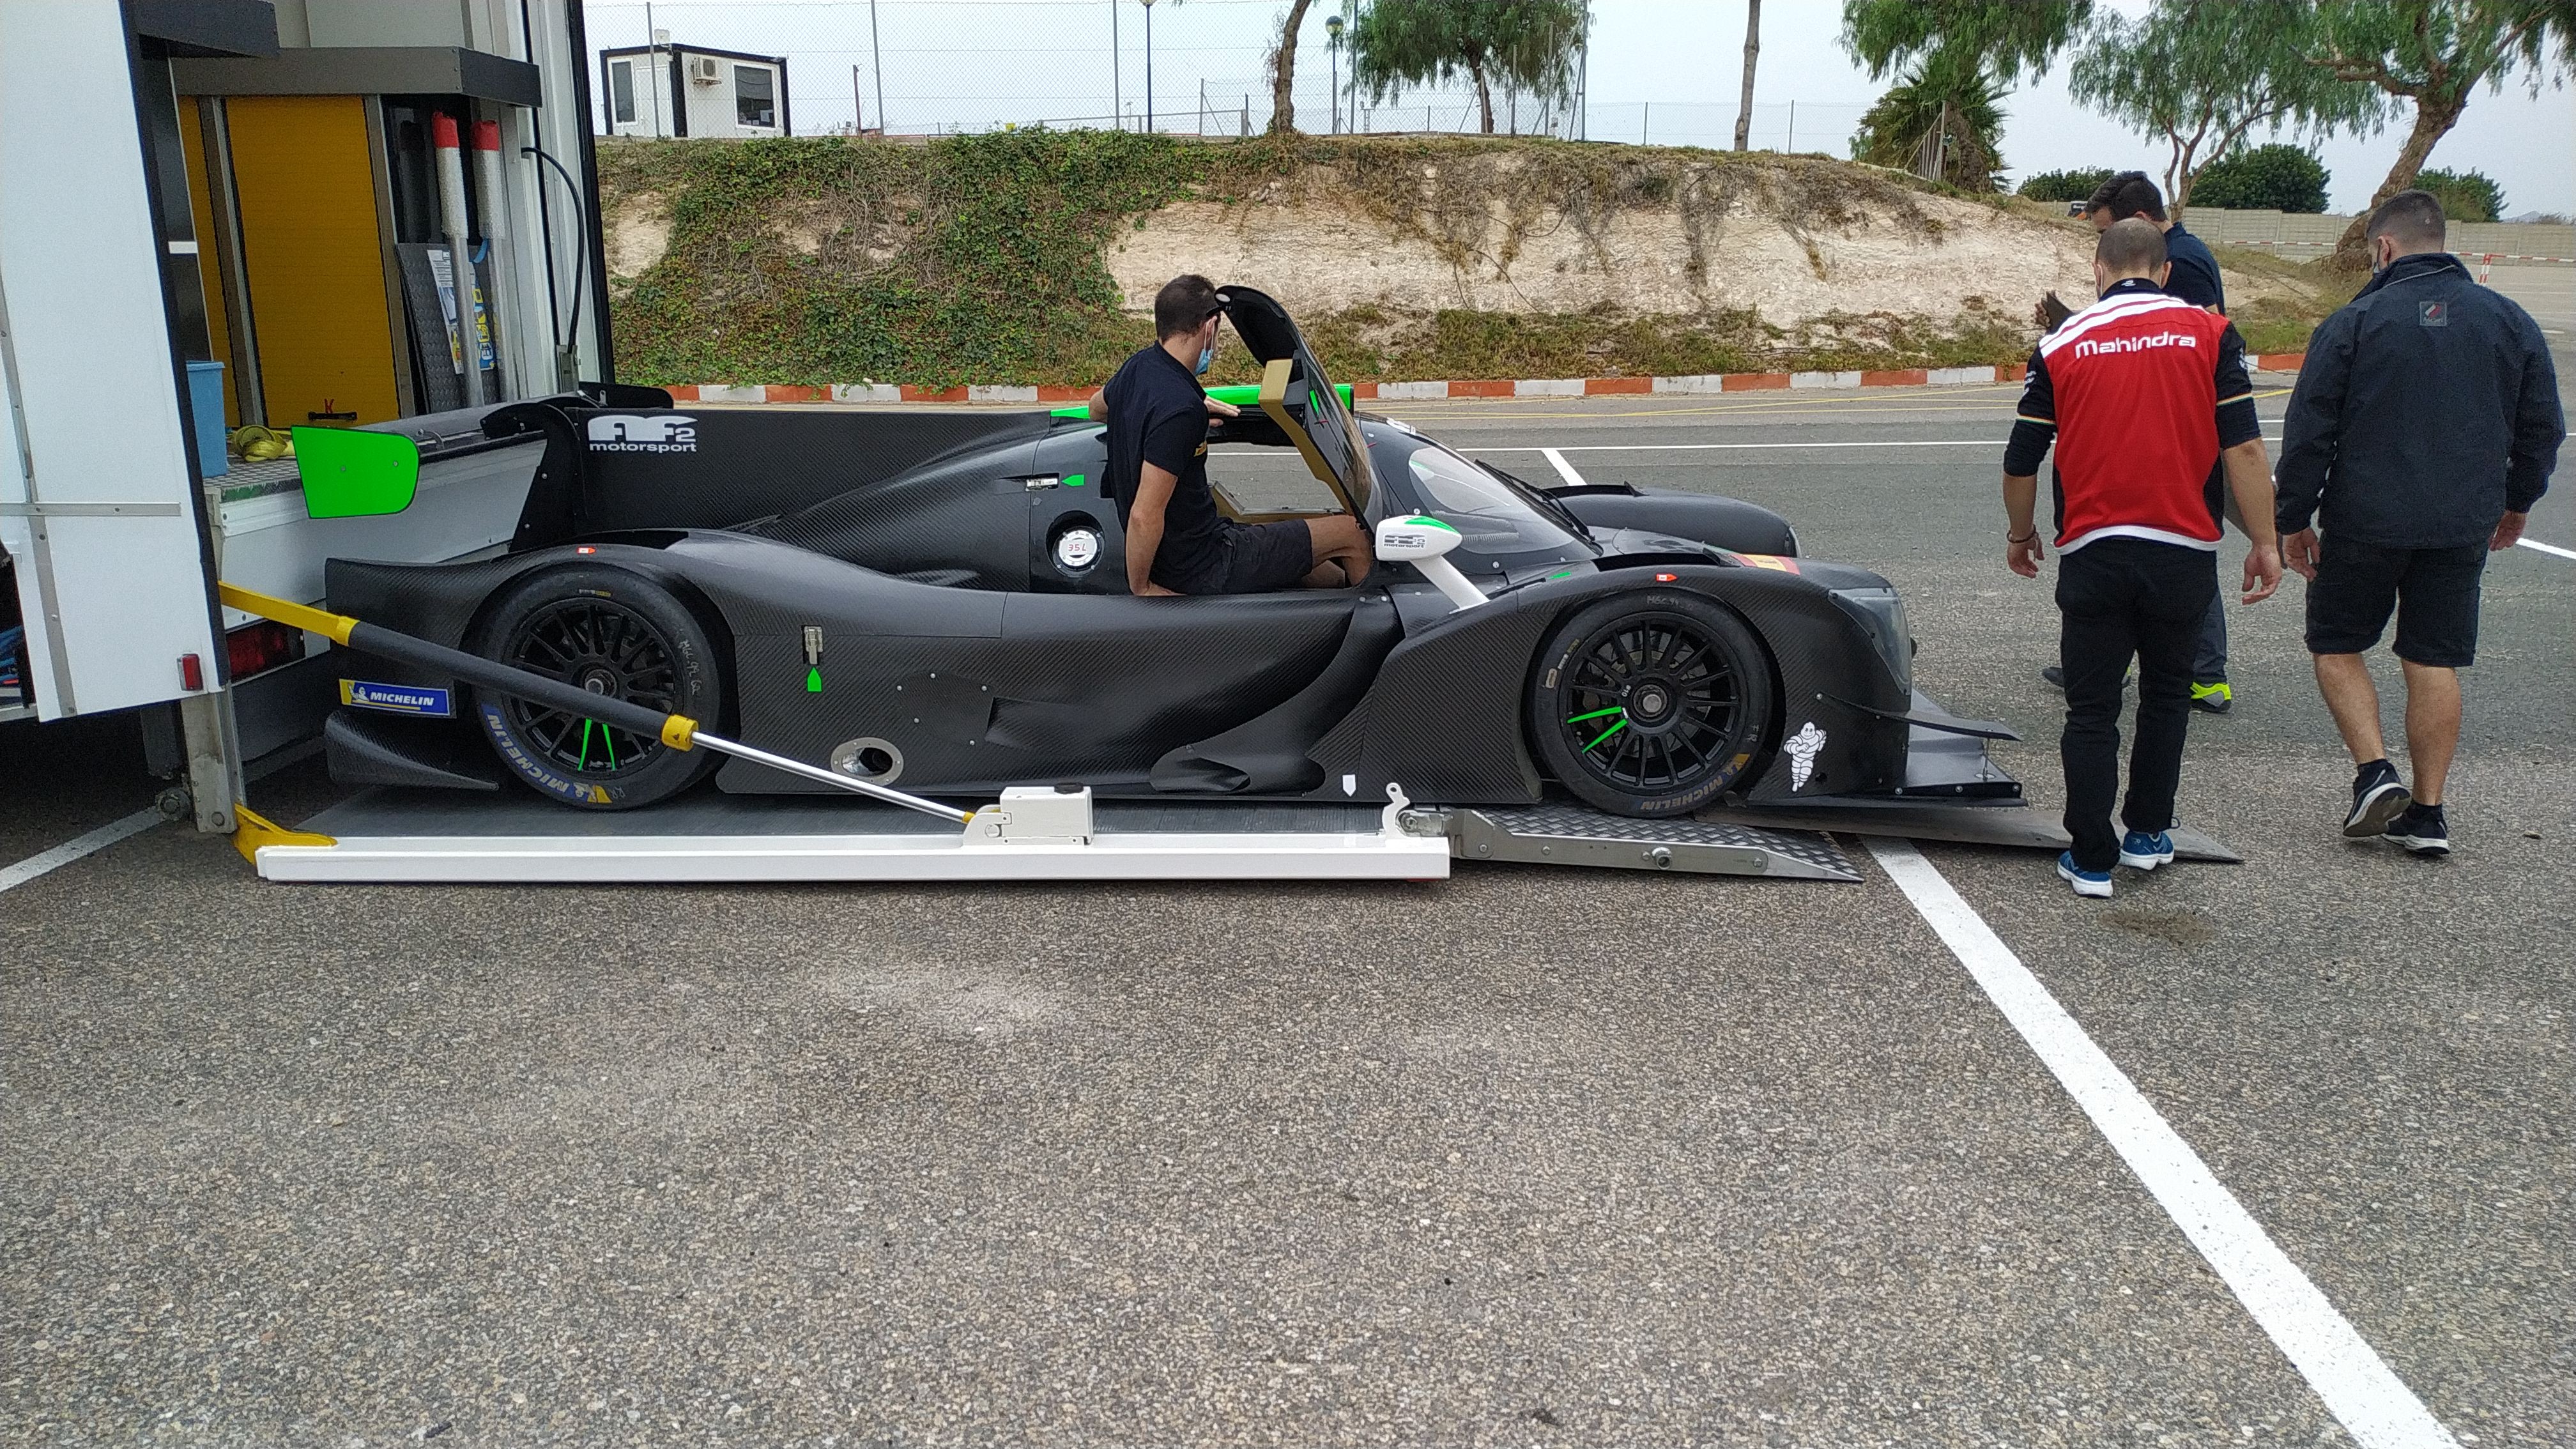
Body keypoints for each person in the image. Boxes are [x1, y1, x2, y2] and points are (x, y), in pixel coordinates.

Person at [2274, 189, 2563, 855]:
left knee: (2336, 642)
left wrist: (2294, 518)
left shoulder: (2356, 321)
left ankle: (2375, 772)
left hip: (2364, 520)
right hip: (2462, 523)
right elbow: (2543, 427)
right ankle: (2429, 813)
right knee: (2433, 657)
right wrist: (2517, 501)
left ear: (2384, 248)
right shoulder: (2510, 321)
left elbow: (2310, 430)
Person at [2002, 219, 2283, 898]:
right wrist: (2267, 542)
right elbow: (2242, 450)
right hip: (2182, 552)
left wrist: (2021, 534)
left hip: (2094, 552)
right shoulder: (2211, 334)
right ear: (2163, 272)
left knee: (2092, 710)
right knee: (2166, 698)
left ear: (2097, 271)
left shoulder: (2062, 342)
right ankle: (2149, 834)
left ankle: (2090, 857)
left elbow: (2022, 456)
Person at [2037, 171, 2239, 713]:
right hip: (2167, 425)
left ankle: (2204, 671)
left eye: (2108, 231)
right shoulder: (2179, 254)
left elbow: (2185, 335)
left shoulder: (2186, 262)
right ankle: (2117, 653)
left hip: (2176, 432)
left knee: (2183, 539)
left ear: (2141, 224)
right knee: (2165, 546)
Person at [1090, 275, 1372, 596]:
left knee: (1318, 566)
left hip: (1194, 548)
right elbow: (1144, 515)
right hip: (1207, 564)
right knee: (1352, 535)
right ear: (1210, 328)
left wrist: (1176, 405)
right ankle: (1373, 629)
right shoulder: (1181, 409)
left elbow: (1096, 409)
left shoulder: (1139, 368)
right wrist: (1142, 589)